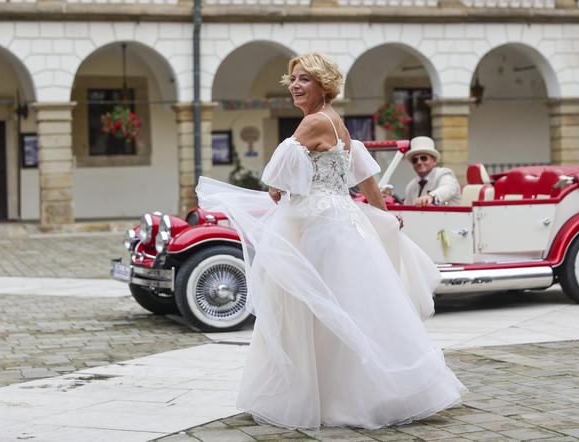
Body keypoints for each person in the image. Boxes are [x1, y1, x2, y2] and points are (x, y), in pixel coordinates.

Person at [196, 53, 465, 430]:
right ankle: (361, 391)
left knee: (312, 309)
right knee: (349, 307)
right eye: (292, 79)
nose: (294, 85)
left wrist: (277, 189)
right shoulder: (339, 124)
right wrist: (383, 213)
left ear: (323, 84)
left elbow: (275, 177)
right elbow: (367, 178)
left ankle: (323, 398)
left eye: (304, 79)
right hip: (342, 221)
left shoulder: (313, 122)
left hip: (320, 226)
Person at [404, 136, 461, 206]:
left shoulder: (444, 174)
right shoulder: (411, 186)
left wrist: (430, 197)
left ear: (434, 161)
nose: (419, 162)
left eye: (424, 158)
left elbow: (448, 188)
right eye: (415, 160)